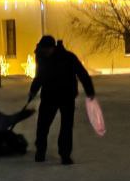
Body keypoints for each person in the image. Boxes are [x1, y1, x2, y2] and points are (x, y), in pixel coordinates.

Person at [27, 35, 95, 164]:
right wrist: (33, 91)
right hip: (49, 97)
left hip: (66, 97)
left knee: (66, 127)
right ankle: (40, 151)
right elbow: (39, 76)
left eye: (46, 50)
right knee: (42, 125)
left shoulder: (69, 57)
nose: (45, 52)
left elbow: (82, 73)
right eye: (43, 50)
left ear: (53, 48)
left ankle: (65, 155)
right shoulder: (43, 58)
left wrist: (89, 91)